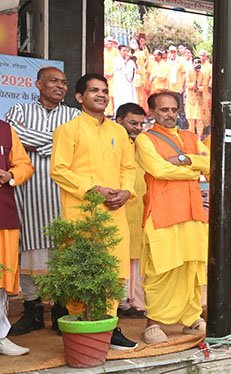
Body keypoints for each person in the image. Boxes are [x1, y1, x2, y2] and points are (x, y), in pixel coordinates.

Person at [50, 73, 138, 350]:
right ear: (79, 97)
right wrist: (93, 189)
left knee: (114, 269)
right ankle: (83, 328)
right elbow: (59, 170)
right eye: (94, 90)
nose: (101, 95)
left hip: (114, 210)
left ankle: (109, 326)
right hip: (82, 211)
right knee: (82, 269)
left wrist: (126, 191)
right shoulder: (68, 130)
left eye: (104, 90)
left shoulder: (118, 132)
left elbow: (128, 167)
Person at [4, 67, 79, 336]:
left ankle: (60, 310)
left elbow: (77, 145)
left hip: (64, 194)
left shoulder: (74, 115)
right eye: (53, 81)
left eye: (64, 82)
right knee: (29, 251)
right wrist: (58, 142)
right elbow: (16, 137)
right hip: (28, 194)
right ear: (38, 84)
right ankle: (32, 311)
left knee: (63, 252)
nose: (60, 86)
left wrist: (39, 143)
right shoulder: (19, 110)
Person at [136, 91, 210, 344]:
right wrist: (193, 171)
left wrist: (183, 159)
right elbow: (159, 169)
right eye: (164, 110)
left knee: (192, 268)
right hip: (162, 212)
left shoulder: (191, 138)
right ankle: (153, 322)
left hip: (193, 212)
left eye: (173, 110)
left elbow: (210, 163)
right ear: (153, 112)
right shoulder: (145, 140)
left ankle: (191, 318)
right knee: (161, 269)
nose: (170, 114)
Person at [0, 120, 35, 356]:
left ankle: (1, 336)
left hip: (2, 213)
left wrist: (10, 174)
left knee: (0, 279)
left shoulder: (5, 130)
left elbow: (25, 165)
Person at [114, 102, 148, 317]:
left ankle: (128, 302)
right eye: (132, 123)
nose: (137, 128)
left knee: (134, 258)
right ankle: (119, 303)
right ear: (119, 120)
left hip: (139, 209)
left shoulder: (143, 144)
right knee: (118, 255)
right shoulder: (114, 141)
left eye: (141, 124)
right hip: (117, 207)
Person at [112, 45, 137, 111]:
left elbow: (136, 70)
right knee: (120, 98)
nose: (126, 52)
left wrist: (134, 61)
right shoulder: (116, 60)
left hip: (129, 84)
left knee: (130, 97)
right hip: (120, 83)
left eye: (127, 51)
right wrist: (125, 61)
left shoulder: (131, 61)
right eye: (124, 51)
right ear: (119, 51)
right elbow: (117, 68)